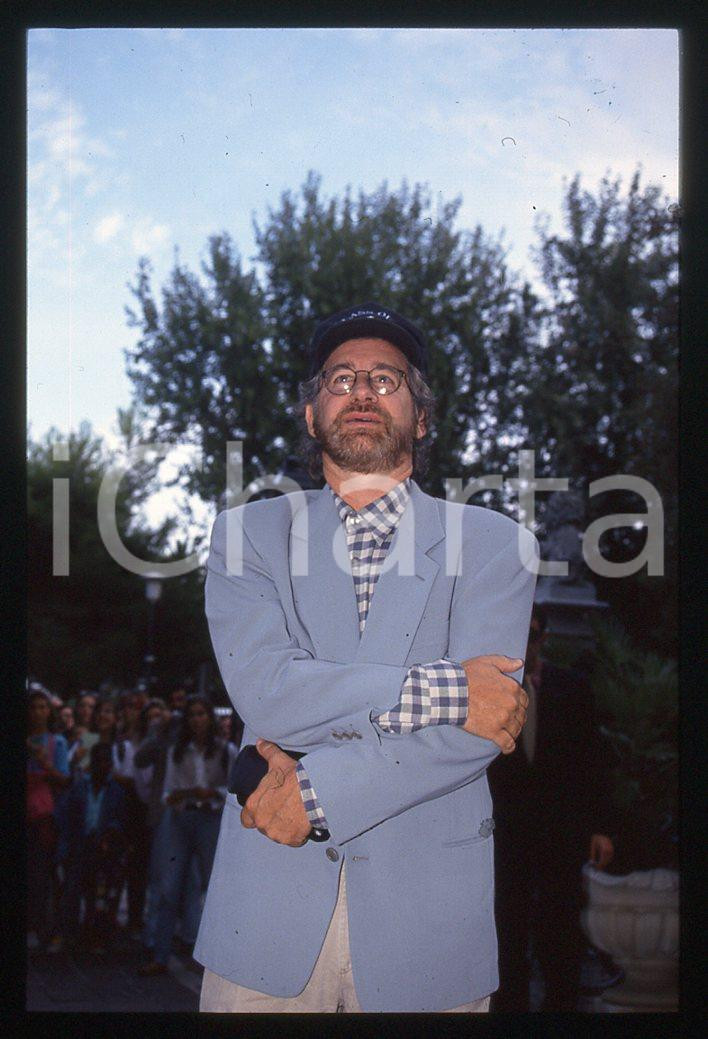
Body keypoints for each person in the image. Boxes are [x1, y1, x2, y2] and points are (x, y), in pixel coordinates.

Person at [194, 301, 538, 1013]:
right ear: (311, 413)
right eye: (340, 377)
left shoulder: (497, 542)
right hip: (264, 914)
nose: (360, 391)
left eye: (386, 379)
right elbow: (266, 692)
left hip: (430, 928)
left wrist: (314, 797)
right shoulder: (245, 534)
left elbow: (483, 727)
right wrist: (448, 689)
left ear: (421, 416)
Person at [488, 603, 616, 1012]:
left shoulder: (572, 687)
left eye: (531, 635)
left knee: (560, 930)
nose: (524, 644)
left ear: (543, 638)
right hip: (505, 835)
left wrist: (599, 827)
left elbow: (593, 760)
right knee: (507, 931)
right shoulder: (487, 692)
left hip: (561, 833)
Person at [138, 695, 237, 976]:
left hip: (210, 817)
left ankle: (212, 957)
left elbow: (231, 789)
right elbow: (169, 792)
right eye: (192, 715)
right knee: (169, 886)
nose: (197, 720)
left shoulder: (225, 750)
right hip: (181, 817)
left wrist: (211, 794)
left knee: (211, 886)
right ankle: (160, 953)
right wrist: (192, 793)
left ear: (210, 718)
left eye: (201, 714)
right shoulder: (177, 751)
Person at [60, 742, 127, 954]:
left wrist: (109, 834)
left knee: (100, 897)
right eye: (98, 761)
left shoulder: (116, 790)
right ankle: (72, 937)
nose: (102, 765)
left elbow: (120, 819)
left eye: (107, 761)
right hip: (81, 846)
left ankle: (98, 937)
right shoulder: (80, 786)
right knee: (74, 892)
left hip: (104, 849)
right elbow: (68, 818)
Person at [26, 687, 71, 951]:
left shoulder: (57, 743)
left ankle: (42, 927)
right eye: (33, 707)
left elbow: (64, 779)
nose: (38, 713)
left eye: (43, 707)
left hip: (45, 815)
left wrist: (44, 763)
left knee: (43, 873)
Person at [112, 690, 152, 940]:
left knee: (139, 866)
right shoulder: (119, 742)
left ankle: (136, 917)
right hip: (123, 807)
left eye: (137, 708)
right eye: (129, 707)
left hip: (142, 808)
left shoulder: (148, 742)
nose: (133, 713)